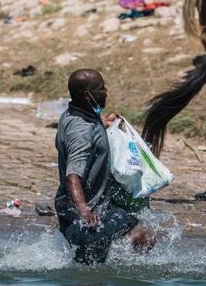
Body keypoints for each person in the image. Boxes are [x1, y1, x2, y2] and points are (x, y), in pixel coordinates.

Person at [54, 69, 155, 264]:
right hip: (90, 213)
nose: (106, 91)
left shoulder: (72, 114)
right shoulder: (82, 132)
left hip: (75, 208)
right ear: (87, 95)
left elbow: (73, 137)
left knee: (92, 261)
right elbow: (72, 177)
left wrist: (102, 123)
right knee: (143, 237)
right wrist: (85, 212)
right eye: (101, 89)